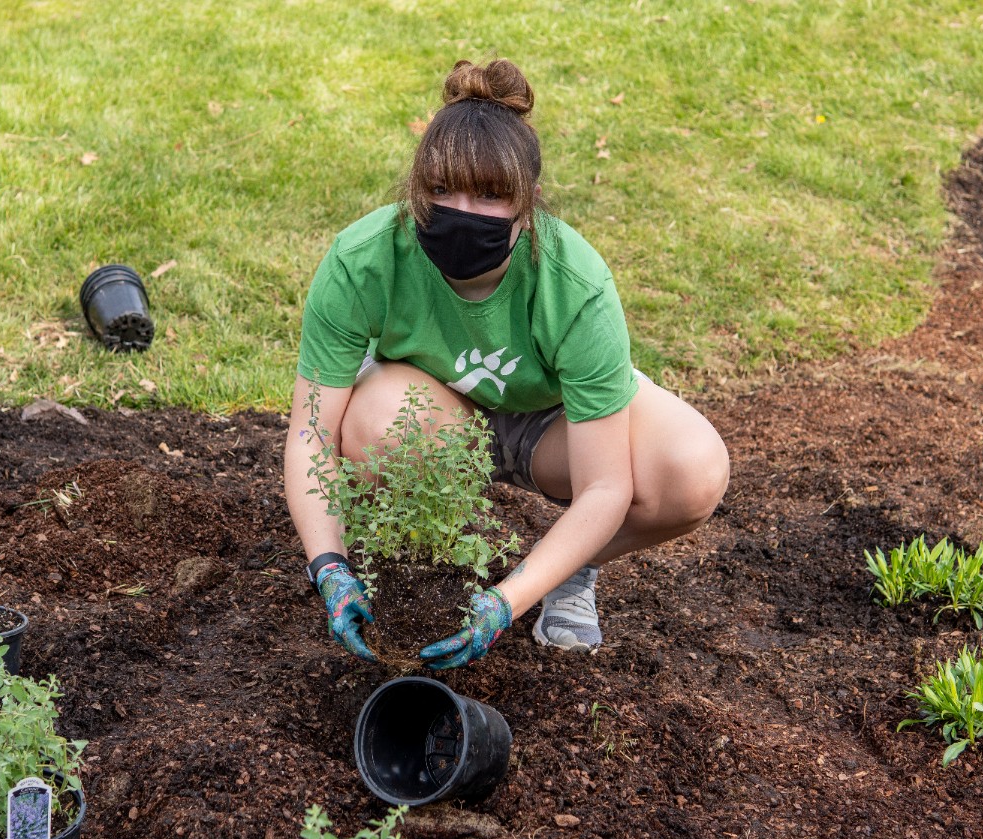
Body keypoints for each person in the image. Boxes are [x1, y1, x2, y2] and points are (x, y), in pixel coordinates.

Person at [284, 58, 729, 670]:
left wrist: (508, 601)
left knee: (691, 471)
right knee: (369, 421)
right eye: (440, 190)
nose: (461, 210)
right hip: (433, 413)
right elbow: (311, 432)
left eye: (490, 195)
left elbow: (605, 485)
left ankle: (564, 572)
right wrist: (328, 568)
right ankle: (422, 562)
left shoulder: (574, 283)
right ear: (415, 187)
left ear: (529, 204)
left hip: (553, 424)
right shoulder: (363, 260)